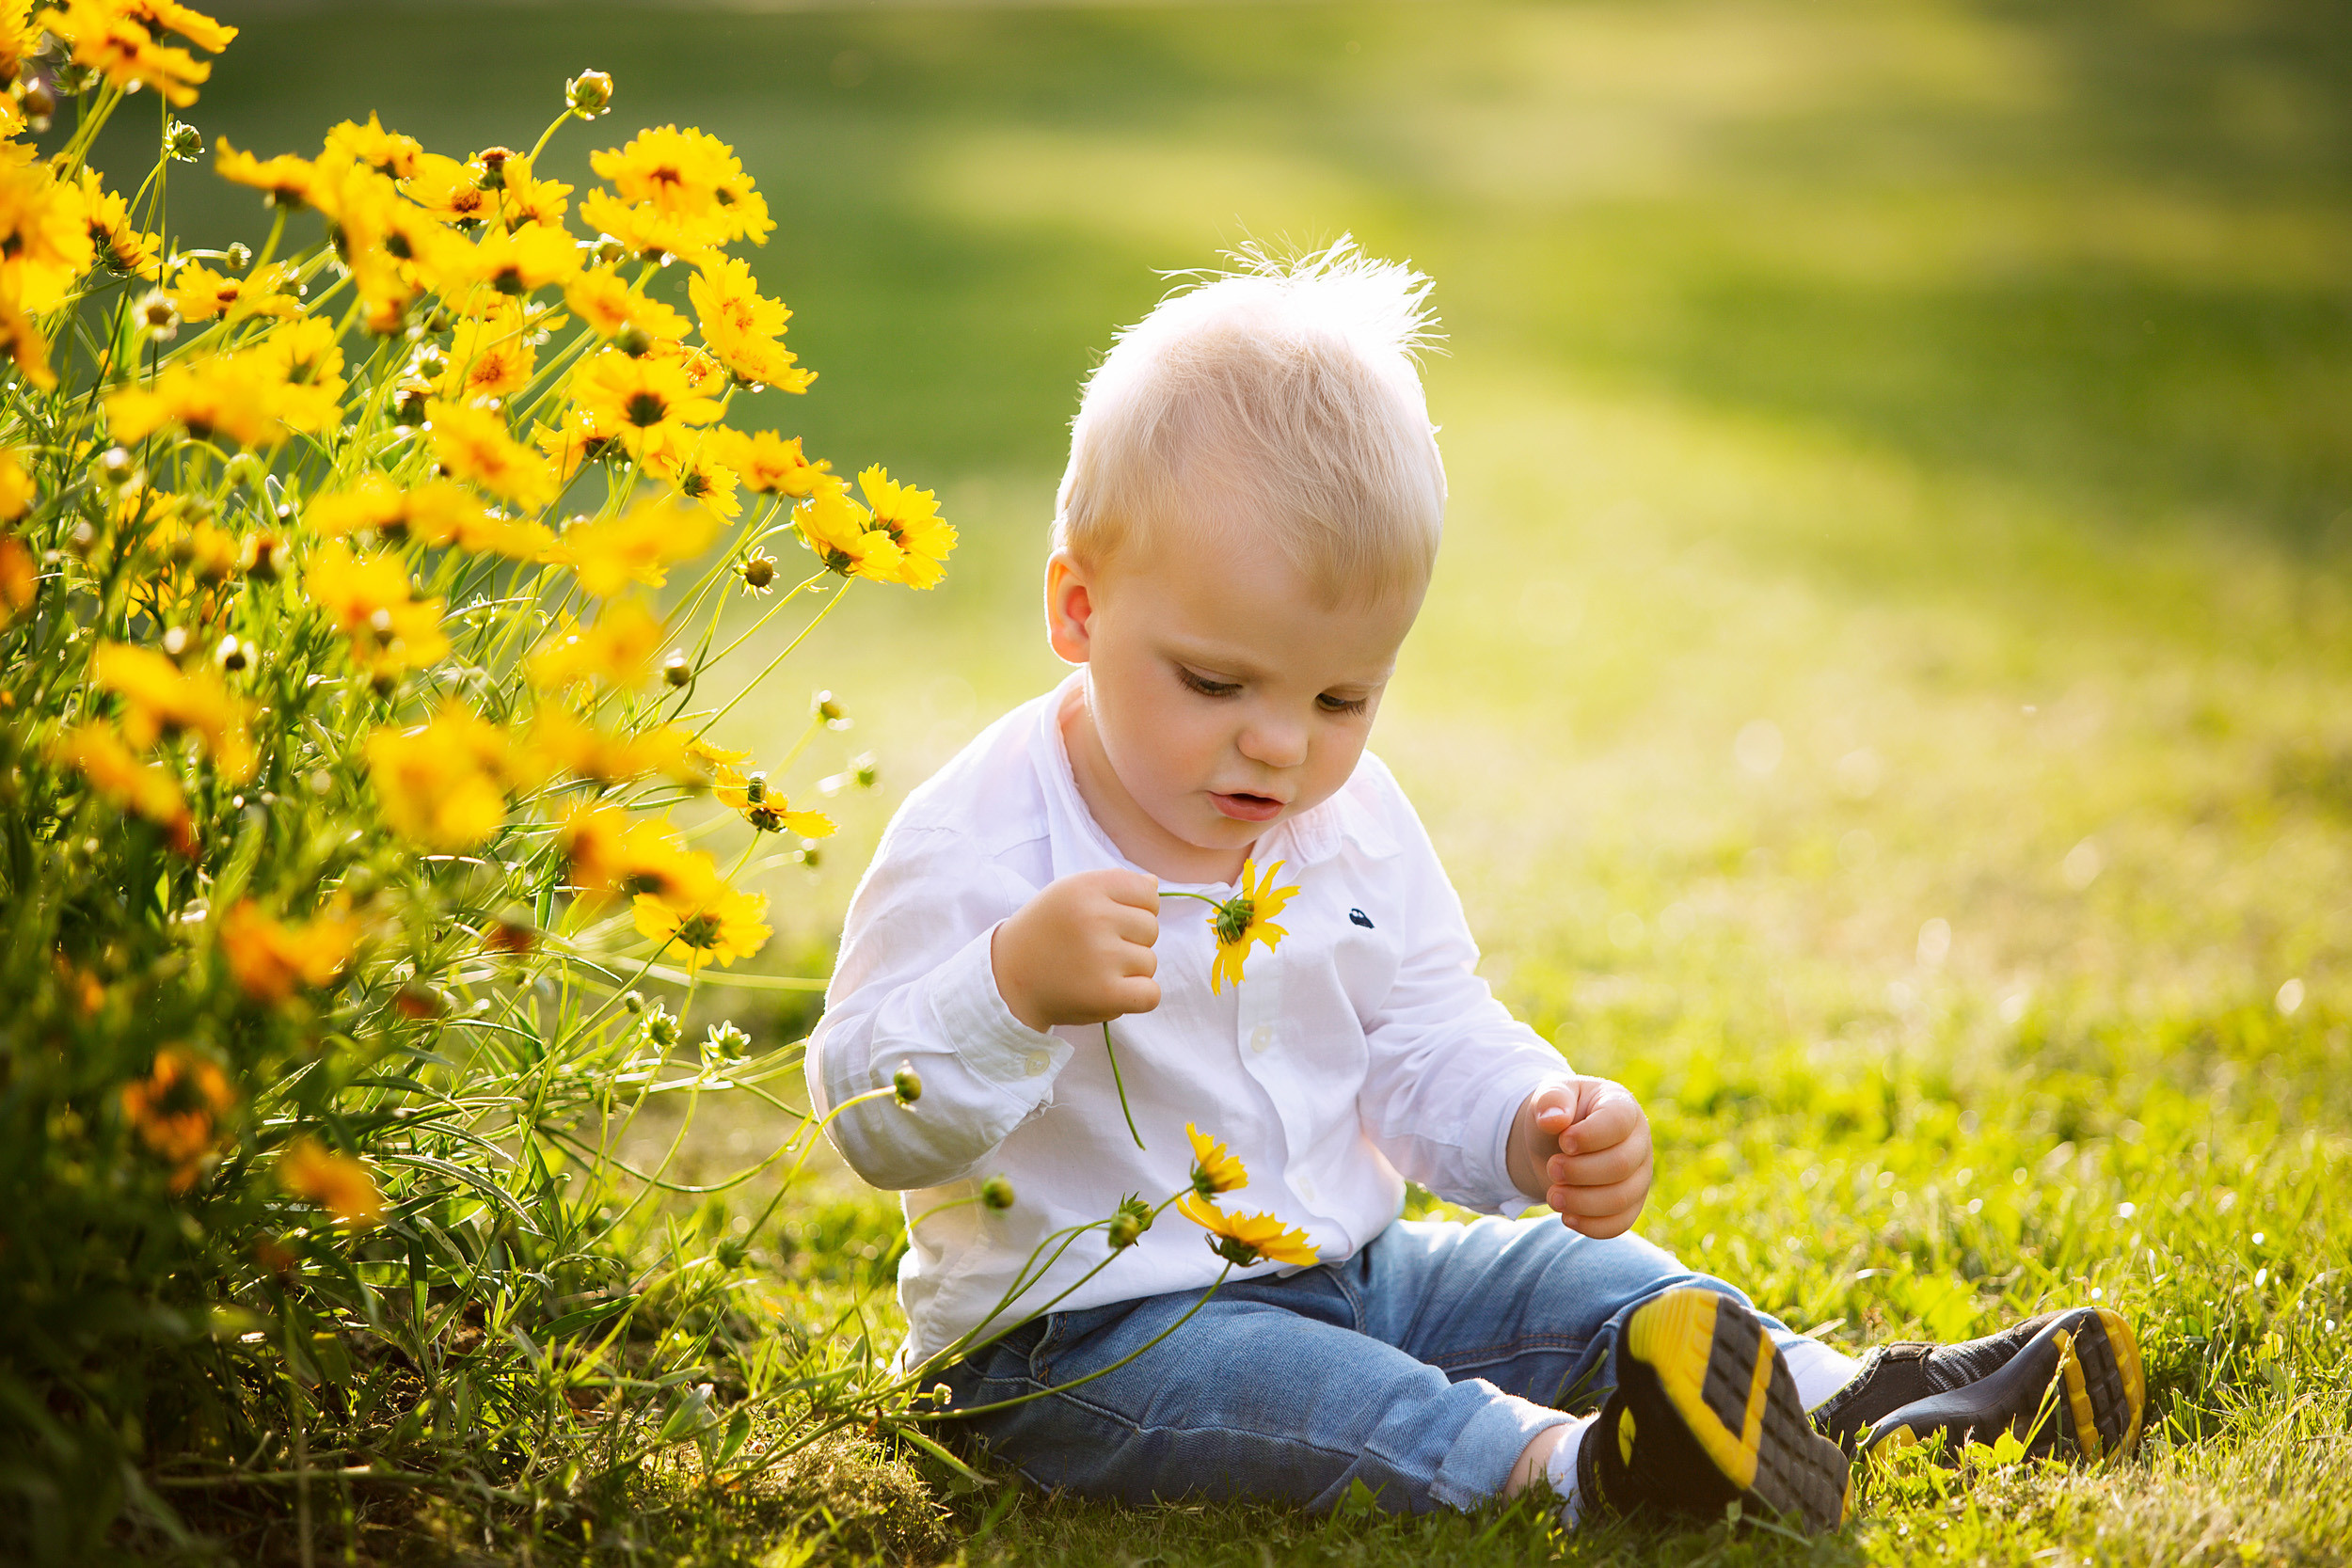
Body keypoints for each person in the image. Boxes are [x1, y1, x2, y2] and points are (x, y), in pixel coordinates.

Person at [805, 241, 2144, 1530]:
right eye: (1216, 684)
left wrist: (1527, 1120)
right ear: (1079, 611)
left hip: (1352, 1271)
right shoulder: (987, 839)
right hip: (1083, 1349)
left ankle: (1844, 1394)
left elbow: (1427, 1029)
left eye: (1343, 695)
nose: (1279, 743)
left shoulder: (1346, 821)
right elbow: (868, 1110)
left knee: (1585, 1279)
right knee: (1318, 1395)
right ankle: (1580, 1473)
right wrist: (1009, 992)